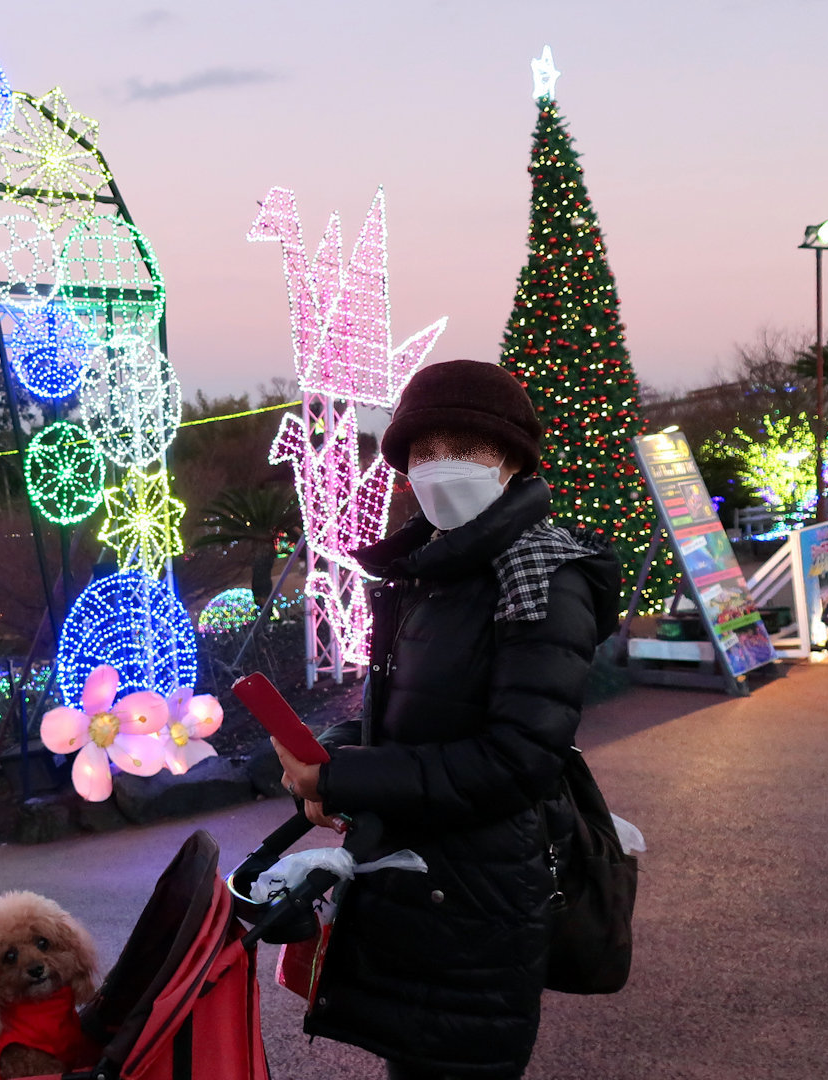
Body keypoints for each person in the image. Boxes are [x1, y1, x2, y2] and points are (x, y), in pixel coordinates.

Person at [272, 360, 621, 1080]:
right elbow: (404, 718)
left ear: (515, 459)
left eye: (466, 448)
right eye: (423, 452)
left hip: (478, 895)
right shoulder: (428, 570)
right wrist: (326, 756)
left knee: (454, 1061)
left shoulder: (543, 574)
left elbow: (517, 758)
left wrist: (344, 777)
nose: (440, 467)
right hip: (412, 880)